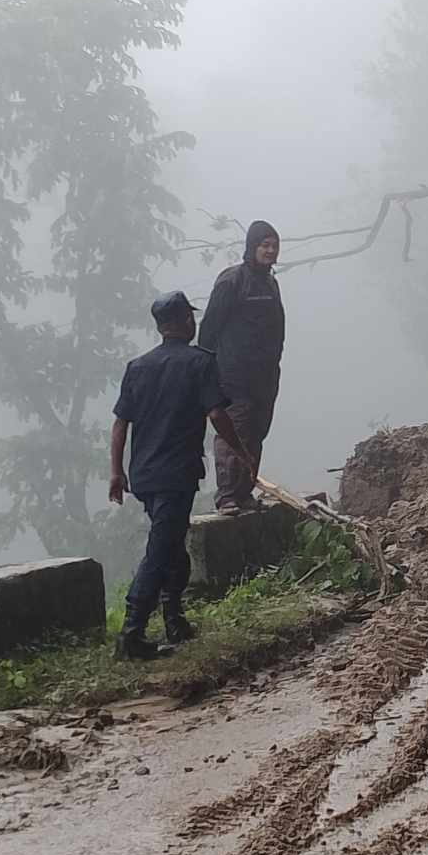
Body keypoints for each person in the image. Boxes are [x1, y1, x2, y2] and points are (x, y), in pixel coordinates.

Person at [109, 291, 257, 662]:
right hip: (176, 473)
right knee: (161, 550)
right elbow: (218, 415)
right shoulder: (199, 362)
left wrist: (115, 472)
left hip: (143, 474)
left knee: (172, 545)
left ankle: (175, 621)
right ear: (184, 322)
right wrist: (242, 453)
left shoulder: (137, 367)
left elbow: (120, 423)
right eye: (190, 318)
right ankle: (131, 633)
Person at [199, 219, 285, 511]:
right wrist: (206, 368)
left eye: (274, 246)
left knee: (257, 431)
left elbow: (278, 327)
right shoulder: (232, 280)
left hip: (265, 376)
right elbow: (209, 327)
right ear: (252, 247)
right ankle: (226, 495)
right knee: (232, 431)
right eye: (265, 245)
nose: (270, 251)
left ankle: (245, 491)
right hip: (232, 375)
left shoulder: (271, 283)